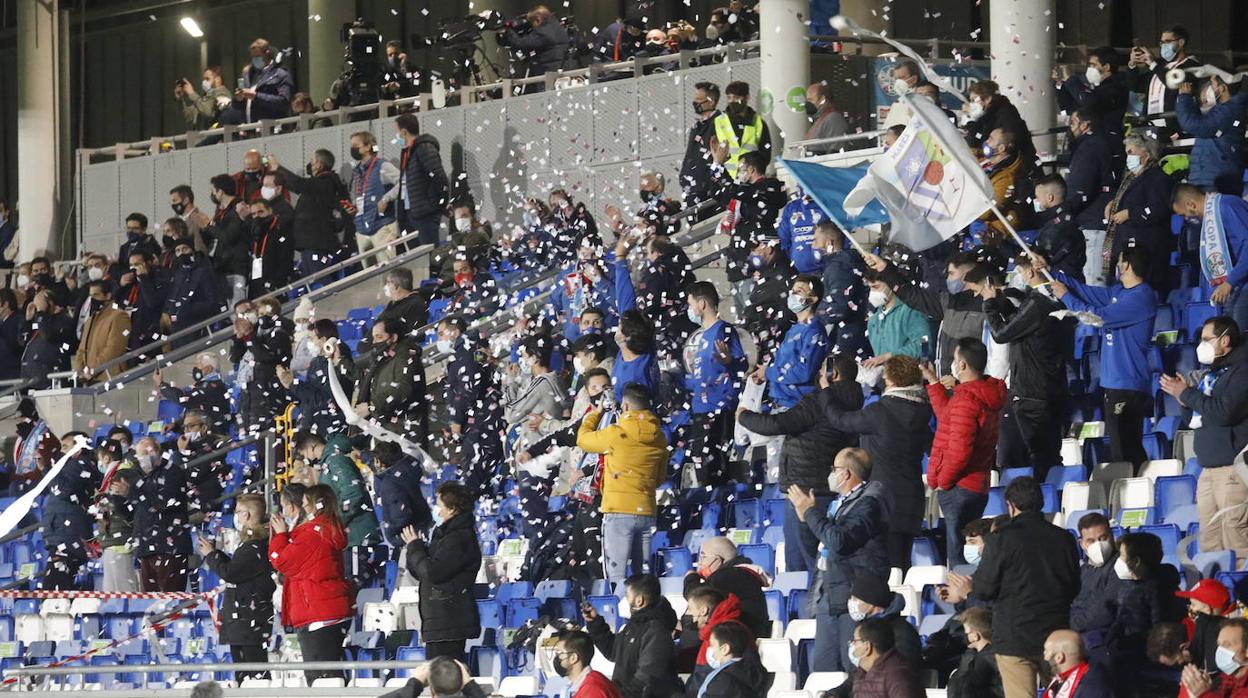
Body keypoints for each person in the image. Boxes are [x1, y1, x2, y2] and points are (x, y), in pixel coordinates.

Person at [739, 354, 864, 572]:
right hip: (832, 487)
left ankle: (804, 603)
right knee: (824, 561)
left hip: (804, 492)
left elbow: (779, 423)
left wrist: (744, 416)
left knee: (801, 565)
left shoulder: (819, 400)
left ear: (831, 374)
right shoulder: (855, 400)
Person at [1038, 247, 1157, 466]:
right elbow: (1085, 291)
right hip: (1114, 384)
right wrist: (1051, 270)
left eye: (1119, 261)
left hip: (1128, 384)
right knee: (1120, 450)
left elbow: (1096, 317)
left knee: (1126, 451)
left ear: (1126, 265)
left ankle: (1135, 493)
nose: (1117, 266)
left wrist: (1065, 296)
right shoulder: (1120, 292)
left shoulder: (1142, 297)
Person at [972, 477, 1081, 698]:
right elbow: (1074, 586)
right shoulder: (1064, 539)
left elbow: (984, 589)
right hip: (1055, 635)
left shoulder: (999, 540)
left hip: (1014, 638)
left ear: (1011, 505)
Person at [787, 447, 891, 672]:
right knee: (824, 671)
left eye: (834, 469)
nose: (831, 474)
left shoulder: (869, 504)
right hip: (829, 593)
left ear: (846, 473)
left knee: (852, 669)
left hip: (853, 596)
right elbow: (816, 546)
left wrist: (811, 513)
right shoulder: (838, 504)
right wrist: (804, 520)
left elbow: (840, 541)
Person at [822, 355, 930, 570]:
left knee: (881, 572)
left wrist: (826, 391)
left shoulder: (880, 411)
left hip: (881, 502)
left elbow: (840, 420)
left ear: (889, 380)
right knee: (901, 569)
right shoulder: (922, 412)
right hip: (911, 501)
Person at [1160, 317, 1248, 560]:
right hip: (1208, 468)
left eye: (1206, 339)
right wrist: (1183, 399)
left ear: (1226, 340)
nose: (1201, 345)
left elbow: (1223, 412)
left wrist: (1187, 394)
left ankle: (1240, 595)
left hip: (1233, 469)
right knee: (1210, 542)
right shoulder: (1215, 373)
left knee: (1236, 540)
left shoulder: (1242, 370)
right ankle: (1214, 596)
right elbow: (1196, 419)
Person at [982, 253, 1070, 477]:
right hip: (1052, 386)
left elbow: (1002, 334)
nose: (1019, 277)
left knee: (1041, 456)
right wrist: (1001, 302)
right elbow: (1023, 323)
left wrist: (990, 305)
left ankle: (1044, 502)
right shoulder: (1056, 297)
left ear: (1029, 272)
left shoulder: (1038, 303)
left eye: (1020, 272)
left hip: (1033, 392)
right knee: (1050, 454)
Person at [923, 338, 1007, 566]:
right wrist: (933, 383)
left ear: (962, 365)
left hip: (959, 487)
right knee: (969, 553)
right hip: (977, 485)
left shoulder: (967, 399)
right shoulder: (977, 396)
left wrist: (943, 480)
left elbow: (959, 451)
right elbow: (949, 418)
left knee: (960, 561)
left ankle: (965, 599)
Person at [577, 384, 667, 583]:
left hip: (618, 511)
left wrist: (594, 414)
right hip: (646, 511)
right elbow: (659, 478)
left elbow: (582, 440)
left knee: (617, 575)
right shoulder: (659, 437)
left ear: (625, 406)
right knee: (643, 577)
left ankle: (616, 614)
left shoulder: (616, 433)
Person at [269, 484, 353, 683]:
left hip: (318, 612)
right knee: (327, 675)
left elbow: (281, 560)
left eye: (306, 505)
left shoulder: (314, 535)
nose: (303, 508)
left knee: (321, 678)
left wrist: (281, 535)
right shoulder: (323, 530)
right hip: (325, 609)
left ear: (317, 505)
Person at [399, 482, 481, 663]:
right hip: (439, 620)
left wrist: (415, 548)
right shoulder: (444, 535)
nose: (437, 509)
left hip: (448, 620)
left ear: (452, 509)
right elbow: (420, 571)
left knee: (445, 677)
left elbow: (433, 572)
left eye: (439, 505)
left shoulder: (458, 537)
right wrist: (415, 548)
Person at [865, 250, 983, 375]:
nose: (948, 279)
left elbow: (924, 344)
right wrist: (884, 268)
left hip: (912, 378)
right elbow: (911, 294)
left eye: (951, 274)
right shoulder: (874, 319)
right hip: (893, 378)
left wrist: (922, 361)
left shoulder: (911, 311)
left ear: (967, 275)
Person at [198, 493, 275, 680]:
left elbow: (230, 573)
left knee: (255, 675)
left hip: (249, 621)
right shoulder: (253, 544)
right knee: (245, 674)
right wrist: (216, 553)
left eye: (238, 512)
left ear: (247, 515)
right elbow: (236, 569)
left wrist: (211, 555)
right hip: (244, 621)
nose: (236, 516)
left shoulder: (255, 546)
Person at [681, 281, 747, 487]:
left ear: (702, 304)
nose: (690, 309)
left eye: (691, 304)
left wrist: (729, 361)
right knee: (700, 468)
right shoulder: (700, 337)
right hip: (700, 410)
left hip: (717, 411)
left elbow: (742, 365)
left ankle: (718, 513)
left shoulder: (723, 330)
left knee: (714, 470)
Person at [294, 431, 381, 581]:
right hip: (349, 537)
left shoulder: (336, 461)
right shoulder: (329, 462)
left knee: (355, 587)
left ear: (311, 446)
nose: (306, 459)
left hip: (357, 536)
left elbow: (353, 494)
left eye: (304, 454)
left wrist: (334, 519)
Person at [710, 149, 788, 313]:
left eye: (741, 168)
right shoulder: (744, 191)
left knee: (753, 315)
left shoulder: (769, 187)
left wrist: (719, 165)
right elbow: (719, 193)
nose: (739, 173)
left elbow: (736, 190)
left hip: (755, 266)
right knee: (742, 318)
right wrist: (716, 166)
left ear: (751, 170)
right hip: (738, 265)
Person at [583, 574, 681, 698]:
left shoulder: (656, 631)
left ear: (639, 601)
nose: (625, 600)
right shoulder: (635, 625)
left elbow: (647, 678)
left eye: (627, 595)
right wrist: (595, 622)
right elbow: (613, 650)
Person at [436, 316, 503, 495]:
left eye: (441, 334)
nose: (439, 340)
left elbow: (469, 389)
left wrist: (456, 419)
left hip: (480, 423)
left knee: (477, 477)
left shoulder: (467, 352)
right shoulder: (467, 351)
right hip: (476, 422)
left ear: (455, 330)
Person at [1102, 133, 1174, 292]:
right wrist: (1113, 205)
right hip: (1127, 247)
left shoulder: (1157, 178)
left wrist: (1130, 213)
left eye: (1131, 152)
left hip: (1146, 251)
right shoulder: (1130, 179)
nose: (1128, 157)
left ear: (1147, 154)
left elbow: (1158, 208)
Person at [1171, 185, 1248, 330]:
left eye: (1183, 215)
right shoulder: (1209, 219)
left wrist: (1229, 282)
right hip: (1233, 289)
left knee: (1240, 344)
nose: (1186, 219)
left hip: (1242, 287)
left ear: (1191, 205)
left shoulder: (1227, 206)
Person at [347, 318, 428, 443]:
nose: (374, 342)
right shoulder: (381, 359)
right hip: (386, 431)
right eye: (373, 338)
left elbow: (402, 390)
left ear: (393, 337)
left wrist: (372, 406)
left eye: (379, 337)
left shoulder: (406, 358)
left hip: (405, 433)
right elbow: (365, 382)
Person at [266, 150, 343, 282]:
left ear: (319, 164)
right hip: (310, 243)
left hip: (317, 244)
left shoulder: (326, 182)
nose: (310, 163)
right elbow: (298, 185)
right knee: (311, 281)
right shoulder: (317, 183)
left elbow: (299, 184)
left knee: (320, 280)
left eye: (312, 160)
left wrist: (278, 169)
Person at [126, 438, 191, 592]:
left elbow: (164, 503)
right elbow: (133, 511)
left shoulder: (172, 472)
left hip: (169, 548)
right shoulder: (138, 477)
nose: (148, 455)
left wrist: (132, 493)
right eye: (143, 452)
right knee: (148, 603)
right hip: (147, 547)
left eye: (151, 450)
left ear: (159, 452)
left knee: (169, 601)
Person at [38, 437, 99, 590]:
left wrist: (48, 469)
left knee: (56, 584)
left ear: (77, 450)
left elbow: (64, 491)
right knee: (58, 580)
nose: (60, 451)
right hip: (63, 532)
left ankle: (57, 611)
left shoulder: (79, 464)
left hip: (67, 534)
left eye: (65, 447)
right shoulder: (71, 466)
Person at [381, 113, 449, 247]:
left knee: (429, 256)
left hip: (425, 214)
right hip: (410, 214)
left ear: (404, 132)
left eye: (397, 132)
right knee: (416, 260)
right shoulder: (407, 152)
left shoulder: (424, 148)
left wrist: (438, 205)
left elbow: (439, 177)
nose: (396, 136)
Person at [682, 537, 770, 639]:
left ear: (717, 560)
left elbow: (694, 596)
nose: (700, 563)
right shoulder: (740, 573)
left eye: (703, 557)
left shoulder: (728, 576)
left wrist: (691, 577)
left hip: (739, 640)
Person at [1176, 73, 1248, 196]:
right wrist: (1192, 101)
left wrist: (1184, 97)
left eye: (1212, 85)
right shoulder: (1224, 110)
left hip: (1216, 182)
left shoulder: (1229, 111)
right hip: (1210, 178)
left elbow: (1194, 125)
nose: (1209, 89)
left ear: (1222, 88)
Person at [1127, 25, 1202, 139]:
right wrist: (1132, 64)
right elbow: (1135, 86)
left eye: (1167, 42)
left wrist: (1153, 63)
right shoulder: (1160, 66)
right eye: (1161, 43)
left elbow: (1172, 83)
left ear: (1181, 42)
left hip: (1174, 128)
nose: (1163, 46)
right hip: (1151, 126)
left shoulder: (1191, 65)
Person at [232, 296, 292, 434]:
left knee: (274, 450)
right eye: (241, 314)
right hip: (250, 405)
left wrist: (249, 334)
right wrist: (239, 336)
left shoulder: (278, 332)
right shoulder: (251, 335)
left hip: (270, 402)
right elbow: (234, 357)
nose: (245, 315)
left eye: (248, 311)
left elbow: (265, 357)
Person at [1068, 512, 1123, 652]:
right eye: (1091, 541)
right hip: (1078, 630)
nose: (1098, 545)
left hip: (1101, 636)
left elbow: (1105, 611)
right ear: (1082, 544)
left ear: (1111, 536)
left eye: (1103, 538)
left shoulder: (1120, 568)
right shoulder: (1082, 571)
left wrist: (1070, 624)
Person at [812, 222, 869, 355]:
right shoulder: (836, 264)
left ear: (829, 243)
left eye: (815, 240)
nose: (812, 245)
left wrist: (814, 311)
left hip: (846, 338)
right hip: (848, 334)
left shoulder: (838, 267)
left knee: (840, 373)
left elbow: (839, 308)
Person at [1061, 108, 1119, 236]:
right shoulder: (1095, 144)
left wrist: (1062, 211)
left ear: (1084, 125)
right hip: (1092, 219)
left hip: (1093, 222)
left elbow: (1081, 187)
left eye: (1073, 123)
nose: (1070, 128)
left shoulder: (1089, 148)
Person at [1058, 46, 1129, 149]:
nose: (1090, 69)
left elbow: (1088, 101)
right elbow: (1071, 106)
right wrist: (1061, 83)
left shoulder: (1115, 87)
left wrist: (1071, 79)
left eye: (1093, 65)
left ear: (1106, 67)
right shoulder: (1099, 88)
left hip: (1108, 142)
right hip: (1093, 141)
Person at [740, 234, 797, 361]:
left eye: (755, 250)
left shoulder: (781, 274)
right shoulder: (766, 272)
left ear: (769, 248)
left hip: (772, 345)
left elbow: (778, 312)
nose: (751, 255)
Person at [349, 131, 401, 264]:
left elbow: (403, 182)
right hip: (362, 231)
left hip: (382, 228)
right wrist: (353, 207)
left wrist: (386, 198)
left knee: (388, 273)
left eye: (356, 145)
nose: (353, 149)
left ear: (368, 146)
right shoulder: (357, 172)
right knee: (368, 279)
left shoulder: (382, 166)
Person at [964, 80, 1037, 172]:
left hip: (1014, 170)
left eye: (974, 100)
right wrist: (971, 123)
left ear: (987, 99)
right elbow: (974, 141)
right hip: (995, 163)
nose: (971, 104)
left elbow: (1008, 152)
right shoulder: (986, 115)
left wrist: (973, 121)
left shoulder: (1007, 116)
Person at [976, 128, 1033, 241]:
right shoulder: (988, 161)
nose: (986, 141)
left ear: (1001, 148)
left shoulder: (1006, 178)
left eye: (990, 139)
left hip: (987, 229)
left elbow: (988, 212)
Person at [846, 617, 924, 697]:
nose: (852, 645)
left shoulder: (898, 675)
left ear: (867, 646)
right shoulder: (861, 672)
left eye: (855, 641)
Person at [680, 82, 728, 213]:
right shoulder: (697, 126)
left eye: (699, 100)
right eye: (695, 99)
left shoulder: (719, 123)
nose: (695, 103)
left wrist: (708, 183)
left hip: (708, 192)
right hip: (693, 191)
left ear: (712, 102)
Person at [205, 174, 250, 308]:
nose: (212, 194)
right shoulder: (220, 211)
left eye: (213, 190)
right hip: (223, 267)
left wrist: (208, 226)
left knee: (238, 307)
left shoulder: (238, 208)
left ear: (221, 191)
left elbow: (228, 236)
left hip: (236, 267)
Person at [72, 280, 130, 384]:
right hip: (90, 378)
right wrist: (79, 371)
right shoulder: (90, 320)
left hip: (109, 377)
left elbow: (114, 348)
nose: (92, 299)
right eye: (91, 296)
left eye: (96, 295)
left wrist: (93, 369)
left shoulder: (119, 315)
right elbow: (81, 349)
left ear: (108, 295)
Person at [497, 5, 572, 84]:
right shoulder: (557, 27)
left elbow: (522, 43)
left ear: (538, 20)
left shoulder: (543, 32)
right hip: (563, 69)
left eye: (532, 23)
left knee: (547, 94)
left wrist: (509, 32)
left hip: (550, 72)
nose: (533, 26)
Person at [695, 621, 770, 698]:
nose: (709, 649)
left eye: (712, 645)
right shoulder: (755, 672)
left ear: (725, 649)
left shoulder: (721, 683)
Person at [165, 239, 222, 339]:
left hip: (198, 326)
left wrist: (189, 308)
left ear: (192, 250)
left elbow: (213, 302)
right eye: (178, 251)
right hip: (177, 329)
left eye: (185, 249)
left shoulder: (204, 271)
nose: (181, 253)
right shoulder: (177, 275)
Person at [21, 287, 76, 389]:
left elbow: (48, 335)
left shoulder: (63, 319)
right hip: (31, 379)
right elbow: (23, 341)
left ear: (50, 303)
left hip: (51, 378)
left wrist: (41, 313)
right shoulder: (40, 321)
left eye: (39, 304)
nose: (37, 308)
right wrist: (28, 321)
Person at [227, 38, 294, 122]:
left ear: (267, 53)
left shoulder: (280, 74)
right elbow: (238, 107)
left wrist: (256, 96)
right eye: (252, 57)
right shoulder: (248, 75)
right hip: (249, 129)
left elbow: (284, 102)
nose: (255, 59)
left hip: (272, 128)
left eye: (258, 56)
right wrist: (238, 99)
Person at [241, 198, 294, 300]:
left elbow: (285, 260)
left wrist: (276, 282)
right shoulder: (254, 234)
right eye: (254, 214)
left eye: (260, 212)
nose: (257, 216)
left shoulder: (280, 231)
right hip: (257, 285)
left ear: (269, 211)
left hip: (276, 285)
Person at [1180, 619, 1248, 697]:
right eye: (1219, 645)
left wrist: (1203, 694)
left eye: (1227, 645)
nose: (1220, 651)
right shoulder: (1228, 678)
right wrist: (1209, 689)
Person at [948, 607, 1005, 698]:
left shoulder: (985, 660)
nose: (965, 637)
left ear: (975, 636)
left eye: (967, 633)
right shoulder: (973, 656)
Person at [718, 81, 772, 176]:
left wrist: (756, 172)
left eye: (736, 97)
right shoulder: (719, 121)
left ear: (747, 97)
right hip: (726, 179)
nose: (732, 101)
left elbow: (766, 153)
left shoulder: (758, 122)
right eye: (729, 97)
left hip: (751, 178)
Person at [1041, 630, 1114, 698]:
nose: (1044, 655)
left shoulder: (1090, 688)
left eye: (1046, 651)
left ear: (1059, 658)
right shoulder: (1061, 679)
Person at [551, 630, 622, 698]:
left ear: (573, 658)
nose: (557, 658)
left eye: (559, 653)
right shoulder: (582, 685)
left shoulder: (593, 689)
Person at [777, 195, 826, 275]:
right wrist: (793, 256)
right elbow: (783, 239)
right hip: (801, 272)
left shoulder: (827, 204)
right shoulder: (792, 207)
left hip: (828, 267)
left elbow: (839, 234)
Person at [176, 66, 230, 130]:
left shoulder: (223, 93)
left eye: (207, 79)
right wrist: (180, 99)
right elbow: (188, 116)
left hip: (213, 136)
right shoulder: (206, 96)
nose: (204, 82)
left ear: (218, 79)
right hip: (198, 136)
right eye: (203, 79)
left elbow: (208, 112)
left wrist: (192, 93)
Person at [803, 81, 850, 152]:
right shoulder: (819, 120)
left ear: (822, 99)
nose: (808, 103)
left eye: (811, 100)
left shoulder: (833, 119)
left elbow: (836, 150)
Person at [114, 213, 162, 280]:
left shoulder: (151, 245)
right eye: (128, 228)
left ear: (144, 229)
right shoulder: (124, 247)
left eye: (135, 228)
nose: (130, 231)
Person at [882, 59, 922, 128]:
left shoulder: (922, 101)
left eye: (901, 78)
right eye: (896, 79)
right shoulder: (897, 104)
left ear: (914, 79)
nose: (897, 82)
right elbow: (887, 129)